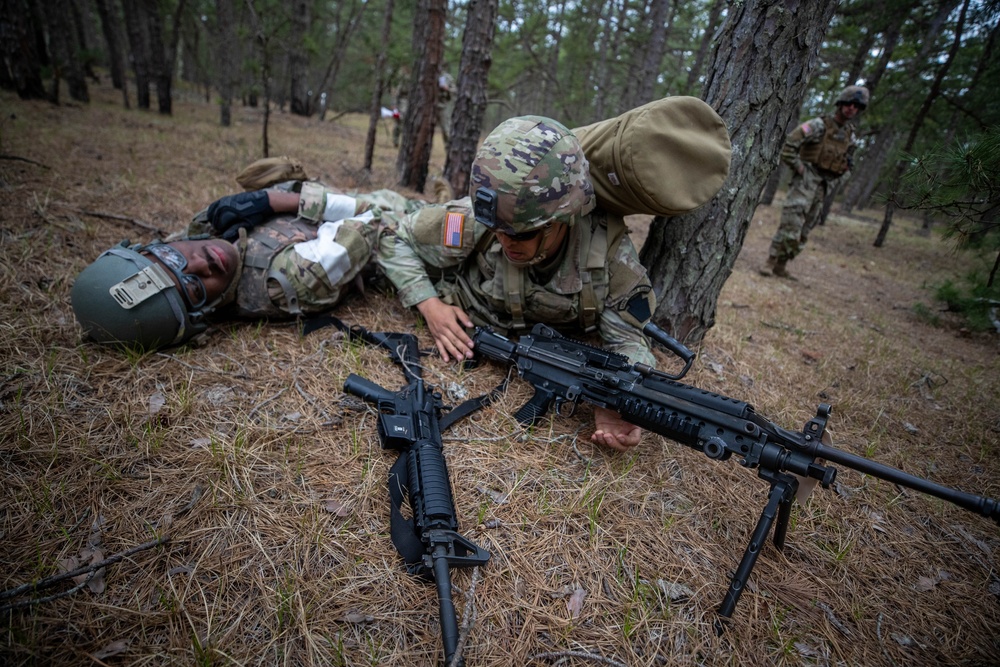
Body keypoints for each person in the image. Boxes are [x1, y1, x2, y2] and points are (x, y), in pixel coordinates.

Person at [377, 116, 659, 453]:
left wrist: (620, 398)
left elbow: (629, 341)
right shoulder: (478, 220)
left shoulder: (610, 258)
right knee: (372, 213)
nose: (506, 241)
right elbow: (394, 237)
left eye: (522, 234)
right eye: (497, 228)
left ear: (564, 218)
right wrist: (429, 305)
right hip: (455, 280)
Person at [71, 176, 429, 352]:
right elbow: (371, 215)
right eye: (194, 287)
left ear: (157, 246)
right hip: (407, 230)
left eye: (171, 256)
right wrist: (272, 199)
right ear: (205, 313)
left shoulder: (200, 235)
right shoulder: (289, 280)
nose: (199, 264)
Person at [761, 85, 870, 278]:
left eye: (857, 106)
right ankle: (770, 261)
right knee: (791, 223)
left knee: (805, 228)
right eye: (849, 104)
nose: (852, 108)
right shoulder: (818, 125)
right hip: (806, 179)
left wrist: (839, 179)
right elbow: (789, 145)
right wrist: (799, 168)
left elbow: (848, 164)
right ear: (841, 104)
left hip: (824, 185)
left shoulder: (850, 136)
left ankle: (782, 265)